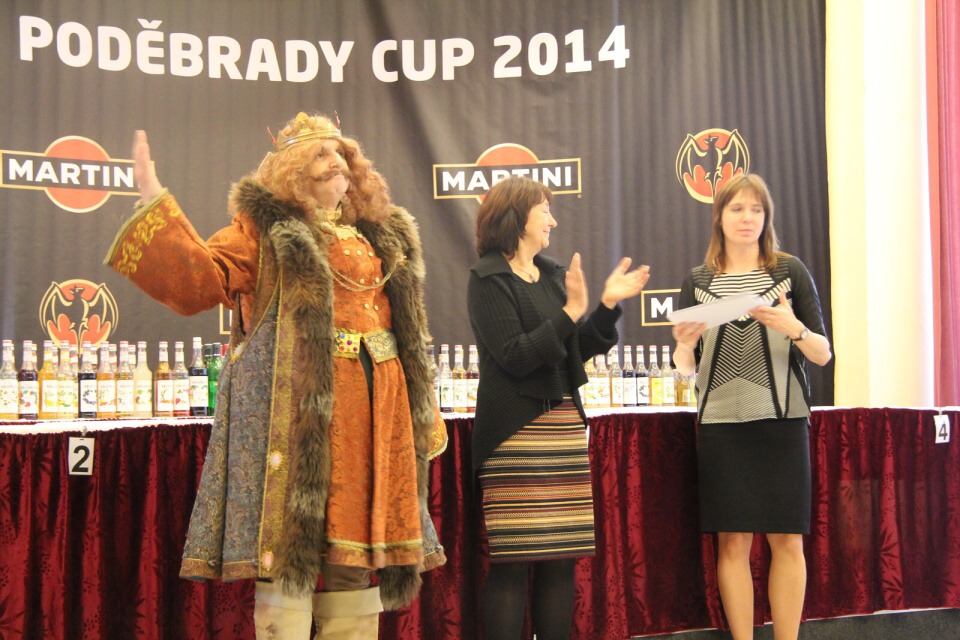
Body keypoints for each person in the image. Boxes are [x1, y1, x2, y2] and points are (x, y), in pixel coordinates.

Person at [104, 112, 447, 640]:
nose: (335, 162)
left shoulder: (381, 234)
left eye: (340, 152)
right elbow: (201, 278)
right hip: (295, 418)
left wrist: (420, 410)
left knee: (354, 555)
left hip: (373, 417)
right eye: (319, 154)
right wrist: (152, 200)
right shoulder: (263, 233)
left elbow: (407, 333)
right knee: (288, 551)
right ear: (290, 172)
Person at [466, 176, 650, 640]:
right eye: (544, 211)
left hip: (562, 429)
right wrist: (570, 313)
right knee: (512, 563)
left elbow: (573, 351)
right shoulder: (487, 278)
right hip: (513, 434)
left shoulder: (552, 274)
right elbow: (516, 356)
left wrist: (605, 306)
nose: (553, 221)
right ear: (517, 217)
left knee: (559, 561)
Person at [671, 174, 832, 640]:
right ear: (719, 217)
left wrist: (793, 327)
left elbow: (823, 354)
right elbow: (685, 369)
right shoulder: (698, 281)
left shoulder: (790, 272)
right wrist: (684, 346)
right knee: (732, 544)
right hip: (721, 425)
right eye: (737, 209)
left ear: (767, 218)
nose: (747, 218)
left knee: (787, 542)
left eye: (756, 210)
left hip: (783, 423)